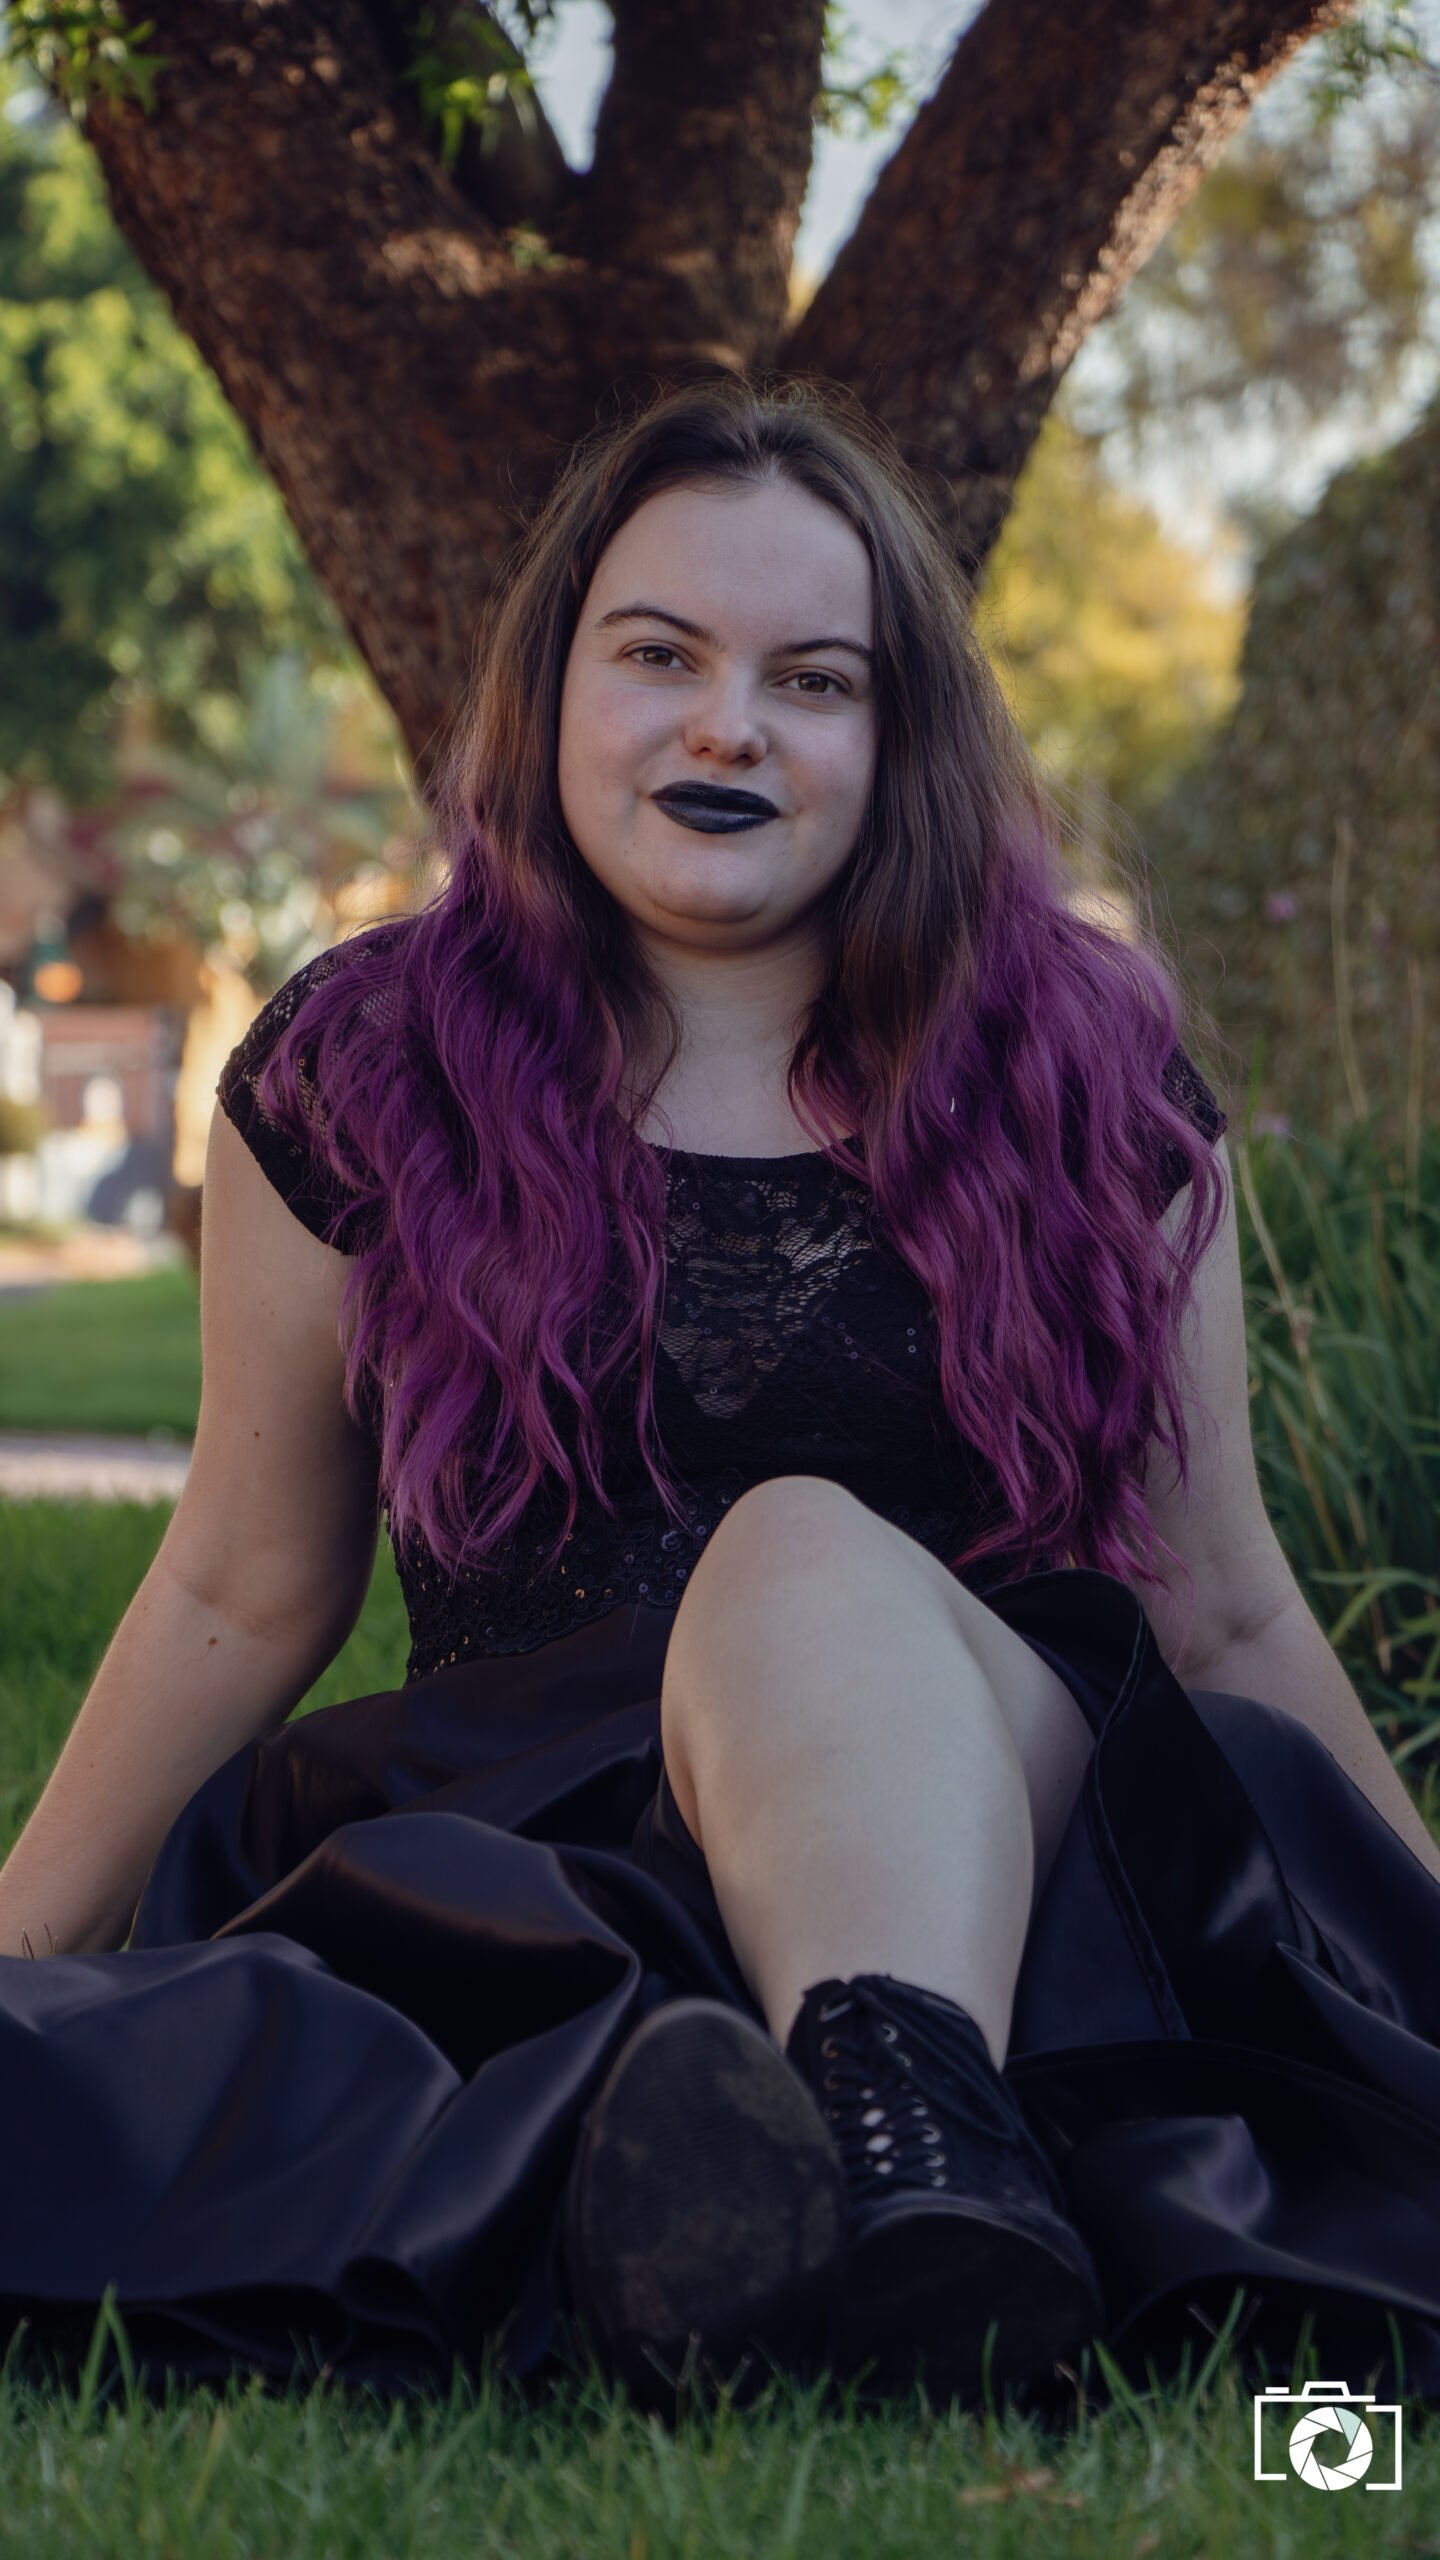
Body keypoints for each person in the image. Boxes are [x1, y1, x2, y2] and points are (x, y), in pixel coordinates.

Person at [3, 376, 1440, 2422]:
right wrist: (22, 1942)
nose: (725, 725)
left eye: (812, 677)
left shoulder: (1094, 1085)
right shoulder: (364, 1063)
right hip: (537, 1841)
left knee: (797, 1552)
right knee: (108, 2090)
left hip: (990, 1819)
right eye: (659, 654)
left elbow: (1223, 1607)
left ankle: (904, 2139)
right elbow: (243, 1586)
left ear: (896, 735)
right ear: (555, 684)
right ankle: (757, 2195)